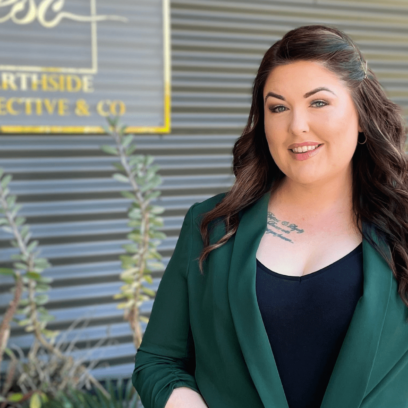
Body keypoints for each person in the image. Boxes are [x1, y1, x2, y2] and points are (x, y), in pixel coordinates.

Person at [132, 24, 408, 408]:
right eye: (278, 107)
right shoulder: (211, 226)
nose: (296, 126)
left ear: (361, 115)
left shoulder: (403, 226)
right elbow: (159, 361)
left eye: (318, 102)